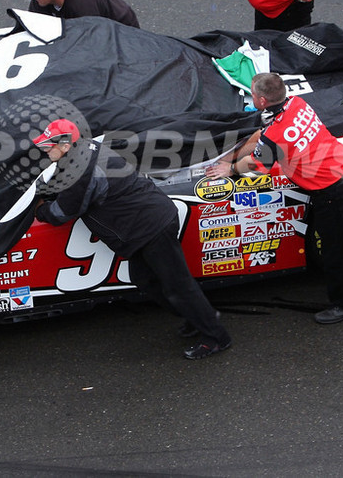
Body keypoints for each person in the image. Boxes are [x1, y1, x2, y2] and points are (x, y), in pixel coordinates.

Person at [205, 74, 343, 325]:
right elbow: (263, 136)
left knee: (334, 251)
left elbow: (257, 161)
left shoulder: (276, 133)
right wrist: (230, 156)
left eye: (253, 95)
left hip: (331, 190)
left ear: (261, 100)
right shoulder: (297, 103)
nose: (251, 99)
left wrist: (228, 169)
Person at [32, 119, 231, 359]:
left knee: (177, 284)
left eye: (48, 145)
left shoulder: (80, 169)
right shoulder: (85, 148)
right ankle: (196, 317)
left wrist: (39, 208)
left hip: (150, 225)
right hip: (147, 222)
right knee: (144, 278)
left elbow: (62, 212)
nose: (44, 149)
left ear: (65, 145)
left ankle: (216, 336)